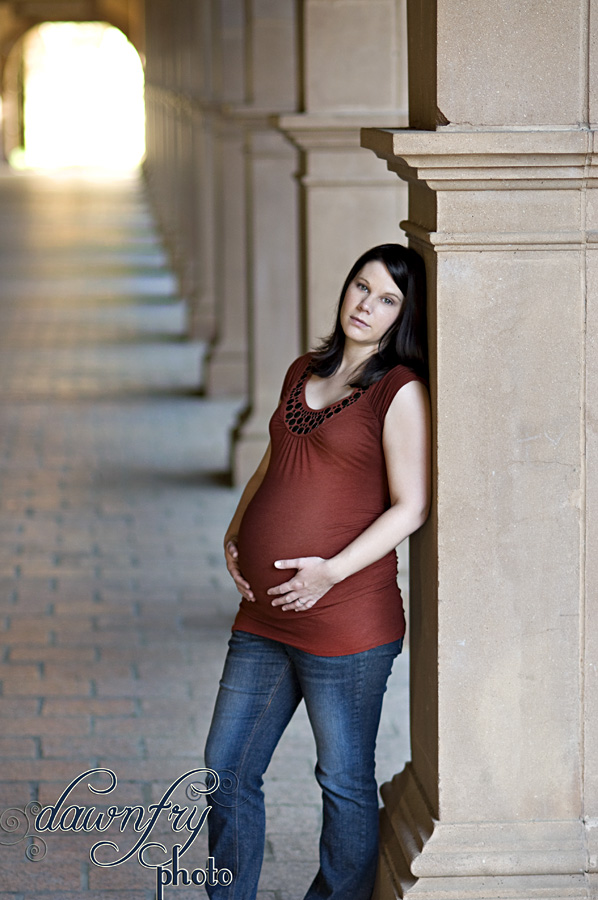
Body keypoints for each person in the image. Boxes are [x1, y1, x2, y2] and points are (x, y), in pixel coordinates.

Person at [204, 243, 431, 900]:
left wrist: (330, 571)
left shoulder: (399, 392)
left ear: (404, 316)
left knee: (342, 782)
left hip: (347, 624)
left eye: (387, 298)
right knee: (225, 768)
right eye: (361, 286)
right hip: (265, 614)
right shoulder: (304, 368)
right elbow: (275, 461)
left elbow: (411, 505)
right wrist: (237, 527)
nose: (366, 304)